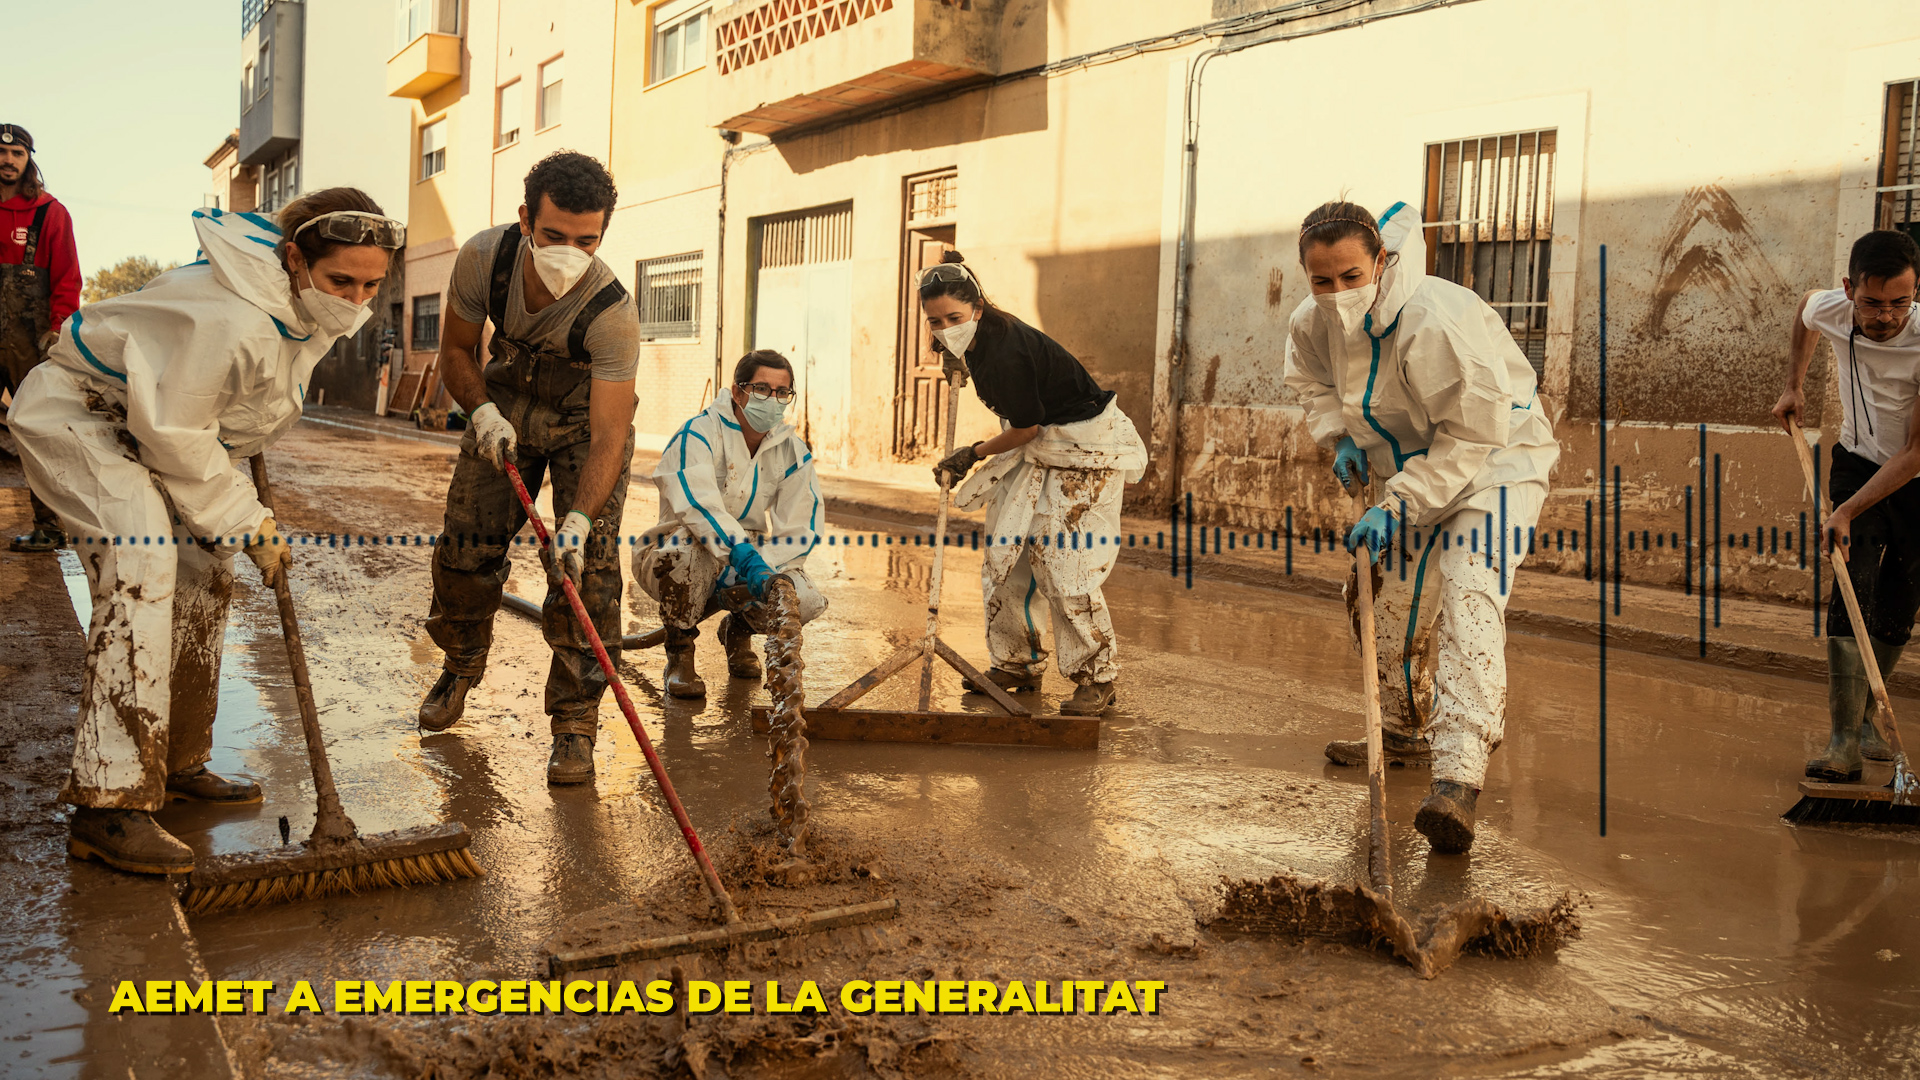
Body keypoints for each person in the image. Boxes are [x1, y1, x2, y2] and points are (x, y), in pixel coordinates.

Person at [10, 190, 401, 875]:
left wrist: (238, 508)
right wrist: (249, 521)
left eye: (372, 284)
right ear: (294, 258)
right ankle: (109, 803)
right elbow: (178, 434)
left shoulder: (296, 308)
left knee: (202, 572)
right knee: (144, 564)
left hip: (148, 422)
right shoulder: (237, 315)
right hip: (81, 414)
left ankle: (175, 760)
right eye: (342, 280)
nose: (356, 297)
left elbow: (225, 414)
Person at [1283, 199, 1558, 855]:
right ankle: (1404, 730)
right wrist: (1338, 437)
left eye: (1351, 276)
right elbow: (1311, 382)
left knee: (1468, 593)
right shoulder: (1309, 324)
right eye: (1322, 281)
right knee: (1380, 602)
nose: (1338, 292)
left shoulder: (1435, 318)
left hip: (1495, 465)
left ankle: (1458, 781)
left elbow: (1471, 435)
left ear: (1380, 261)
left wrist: (1396, 504)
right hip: (1404, 473)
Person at [416, 151, 639, 786]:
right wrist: (481, 413)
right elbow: (456, 351)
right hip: (504, 403)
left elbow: (609, 437)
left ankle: (574, 723)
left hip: (579, 423)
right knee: (465, 547)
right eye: (555, 236)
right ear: (525, 220)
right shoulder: (485, 260)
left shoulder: (612, 313)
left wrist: (575, 520)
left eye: (587, 240)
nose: (570, 252)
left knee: (587, 573)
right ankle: (461, 661)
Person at [922, 253, 1148, 717]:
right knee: (1006, 555)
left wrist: (971, 454)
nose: (946, 328)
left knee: (1065, 563)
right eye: (936, 321)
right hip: (1041, 445)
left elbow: (1025, 426)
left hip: (1085, 448)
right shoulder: (974, 342)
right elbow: (1027, 428)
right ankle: (1016, 664)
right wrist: (957, 358)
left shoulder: (1005, 350)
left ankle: (1097, 676)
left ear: (978, 309)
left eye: (955, 319)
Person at [1774, 229, 1920, 783]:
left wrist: (1845, 511)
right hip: (1858, 460)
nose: (1886, 316)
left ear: (1916, 291)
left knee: (1900, 601)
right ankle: (1843, 744)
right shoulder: (1830, 306)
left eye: (1899, 303)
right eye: (1872, 303)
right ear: (1849, 290)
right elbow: (1804, 315)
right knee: (1851, 584)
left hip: (1915, 476)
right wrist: (1794, 384)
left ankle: (1866, 723)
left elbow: (1914, 454)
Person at [635, 350, 827, 697]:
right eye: (762, 389)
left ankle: (738, 630)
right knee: (690, 552)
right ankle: (679, 651)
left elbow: (801, 525)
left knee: (804, 598)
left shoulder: (792, 451)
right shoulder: (699, 433)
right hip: (677, 549)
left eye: (782, 392)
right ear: (738, 393)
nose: (773, 399)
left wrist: (766, 570)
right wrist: (742, 556)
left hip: (747, 558)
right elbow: (698, 506)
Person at [0, 123, 81, 552]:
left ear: (29, 158)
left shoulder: (50, 213)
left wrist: (58, 327)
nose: (8, 160)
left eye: (17, 153)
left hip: (29, 341)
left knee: (36, 431)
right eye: (1, 152)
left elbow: (67, 277)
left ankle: (49, 527)